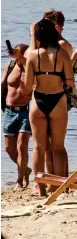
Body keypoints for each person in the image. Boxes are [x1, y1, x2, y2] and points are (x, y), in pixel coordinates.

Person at [22, 19, 74, 196]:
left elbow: (27, 86)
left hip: (38, 100)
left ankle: (40, 187)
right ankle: (57, 187)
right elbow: (70, 81)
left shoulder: (32, 55)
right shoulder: (62, 54)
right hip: (57, 100)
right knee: (58, 147)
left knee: (38, 147)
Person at [3, 44, 32, 190]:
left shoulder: (30, 67)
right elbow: (3, 84)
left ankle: (20, 181)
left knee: (22, 146)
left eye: (19, 54)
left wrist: (22, 58)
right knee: (9, 149)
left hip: (25, 112)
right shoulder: (10, 65)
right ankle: (25, 169)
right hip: (9, 111)